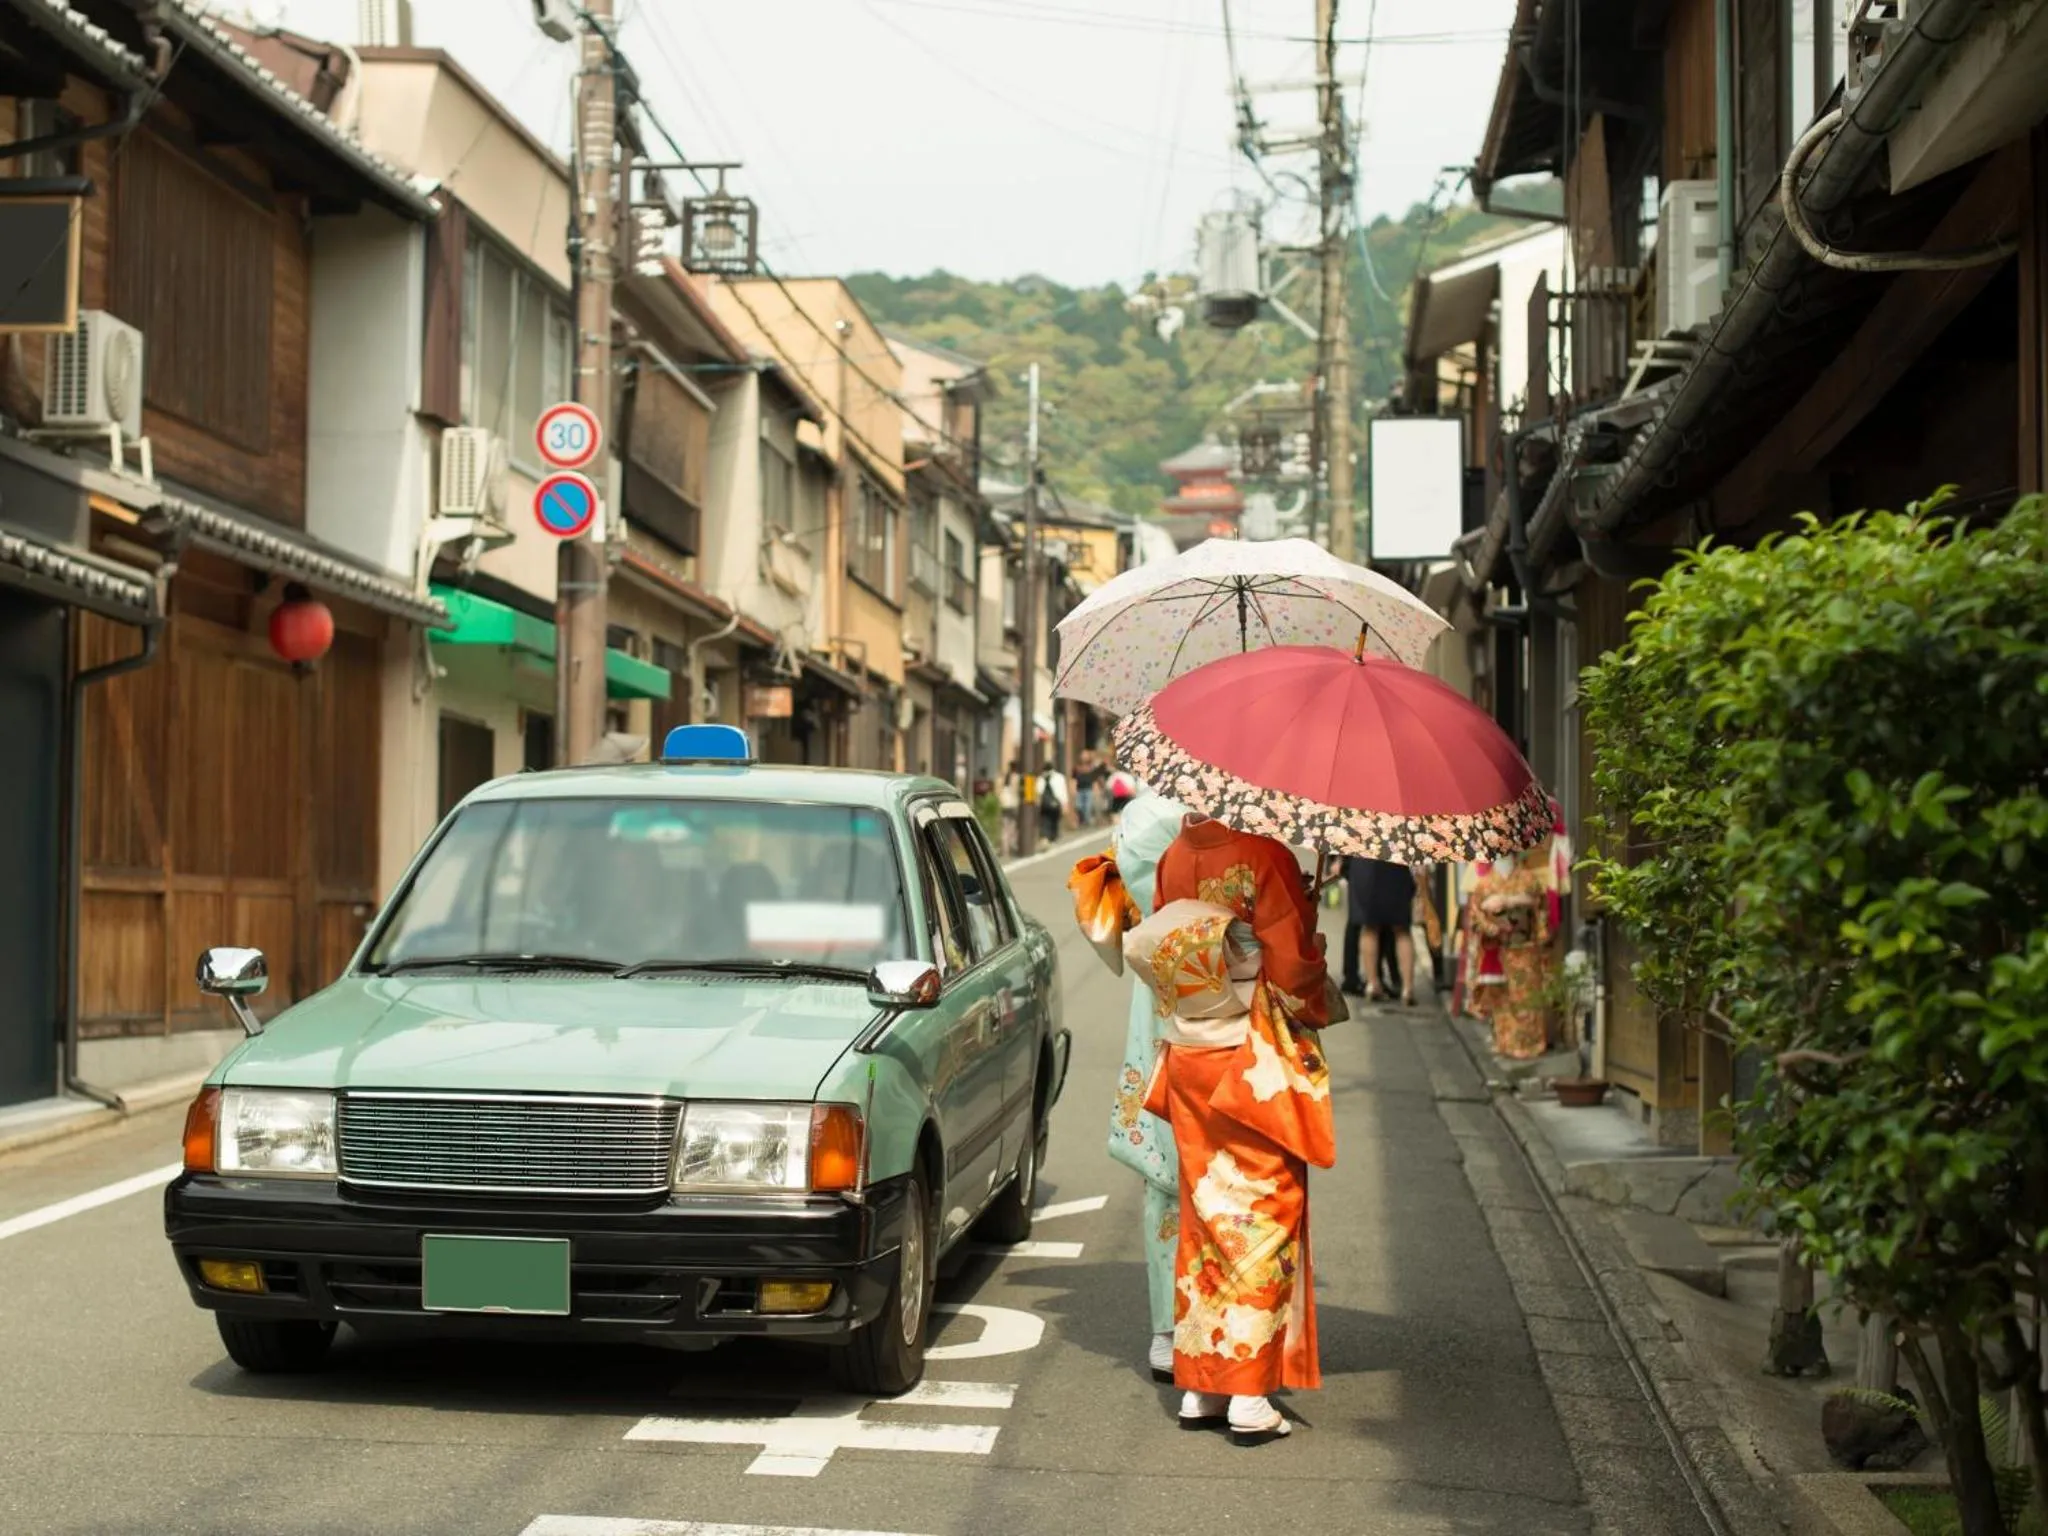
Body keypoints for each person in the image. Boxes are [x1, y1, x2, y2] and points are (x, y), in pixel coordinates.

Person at [1149, 813, 1334, 1446]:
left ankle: (1203, 1384)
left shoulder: (1175, 854)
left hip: (1189, 1049)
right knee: (1265, 1207)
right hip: (1248, 1055)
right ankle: (1249, 1394)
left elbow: (1170, 952)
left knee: (1208, 1214)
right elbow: (1293, 970)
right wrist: (1310, 940)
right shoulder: (1264, 855)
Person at [1068, 790, 1189, 1385]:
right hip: (1237, 1007)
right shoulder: (1249, 823)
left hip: (1162, 996)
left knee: (1166, 1172)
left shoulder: (1145, 818)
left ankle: (1169, 1329)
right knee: (1235, 1174)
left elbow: (1129, 907)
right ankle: (1226, 1330)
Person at [1467, 850, 1551, 1058]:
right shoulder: (1484, 885)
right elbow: (1475, 918)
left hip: (1525, 947)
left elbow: (1541, 911)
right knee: (1501, 998)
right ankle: (1505, 1043)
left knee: (1527, 997)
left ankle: (1531, 1044)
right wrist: (1493, 927)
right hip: (1497, 949)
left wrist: (1510, 901)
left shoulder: (1529, 880)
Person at [1341, 856, 1416, 1005]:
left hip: (1364, 863)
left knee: (1369, 927)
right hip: (1396, 862)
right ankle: (1407, 989)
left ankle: (1372, 984)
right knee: (1402, 929)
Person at [1037, 764, 1068, 845]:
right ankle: (1053, 837)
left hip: (1045, 804)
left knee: (1045, 821)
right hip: (1056, 803)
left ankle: (1045, 837)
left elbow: (1038, 792)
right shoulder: (1060, 777)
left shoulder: (1041, 778)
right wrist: (1065, 805)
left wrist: (1038, 805)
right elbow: (1063, 793)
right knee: (1055, 820)